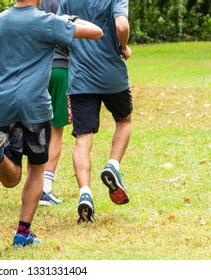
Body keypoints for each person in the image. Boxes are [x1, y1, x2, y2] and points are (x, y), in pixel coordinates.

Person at [0, 0, 102, 246]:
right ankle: (22, 233)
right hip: (34, 107)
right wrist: (70, 20)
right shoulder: (47, 21)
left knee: (11, 178)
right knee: (36, 169)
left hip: (2, 105)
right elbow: (96, 32)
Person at [58, 0, 133, 223]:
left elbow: (59, 29)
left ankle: (85, 193)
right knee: (124, 120)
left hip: (81, 78)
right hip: (112, 76)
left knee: (83, 138)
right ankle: (113, 166)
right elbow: (122, 26)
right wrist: (124, 47)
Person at [37, 0, 70, 206]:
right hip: (60, 67)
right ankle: (45, 188)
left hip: (36, 69)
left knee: (37, 125)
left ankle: (33, 182)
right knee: (56, 129)